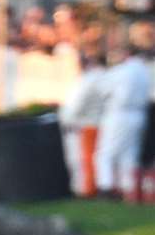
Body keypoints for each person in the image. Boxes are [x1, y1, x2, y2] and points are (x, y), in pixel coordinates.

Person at [96, 33, 153, 202]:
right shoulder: (144, 71)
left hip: (119, 113)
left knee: (105, 153)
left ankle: (106, 188)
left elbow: (102, 89)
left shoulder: (122, 71)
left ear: (126, 54)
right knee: (130, 154)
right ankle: (129, 188)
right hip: (139, 114)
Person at [61, 53, 109, 197]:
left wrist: (67, 120)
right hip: (101, 121)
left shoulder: (88, 80)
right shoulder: (105, 77)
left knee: (85, 159)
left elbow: (77, 104)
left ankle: (87, 190)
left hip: (86, 123)